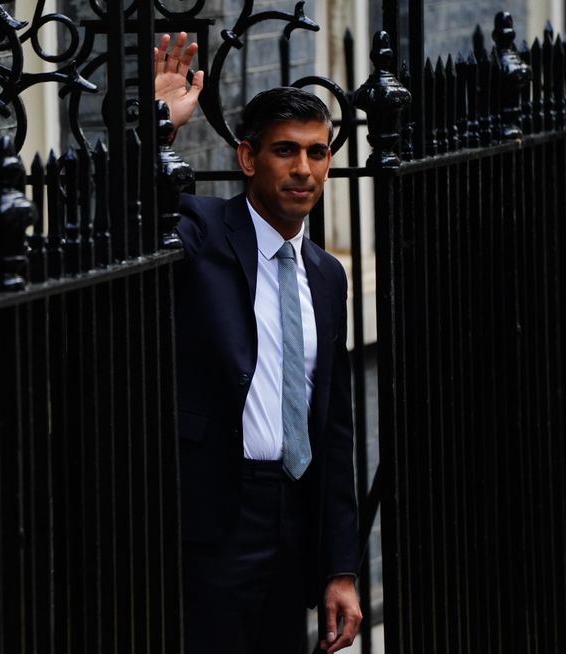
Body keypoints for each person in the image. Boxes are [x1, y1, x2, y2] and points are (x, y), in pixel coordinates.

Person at [154, 33, 363, 653]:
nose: (304, 169)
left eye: (317, 153)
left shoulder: (327, 275)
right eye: (285, 152)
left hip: (294, 518)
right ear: (248, 159)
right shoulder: (198, 229)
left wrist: (342, 567)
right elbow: (125, 211)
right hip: (215, 516)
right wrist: (158, 125)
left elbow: (335, 427)